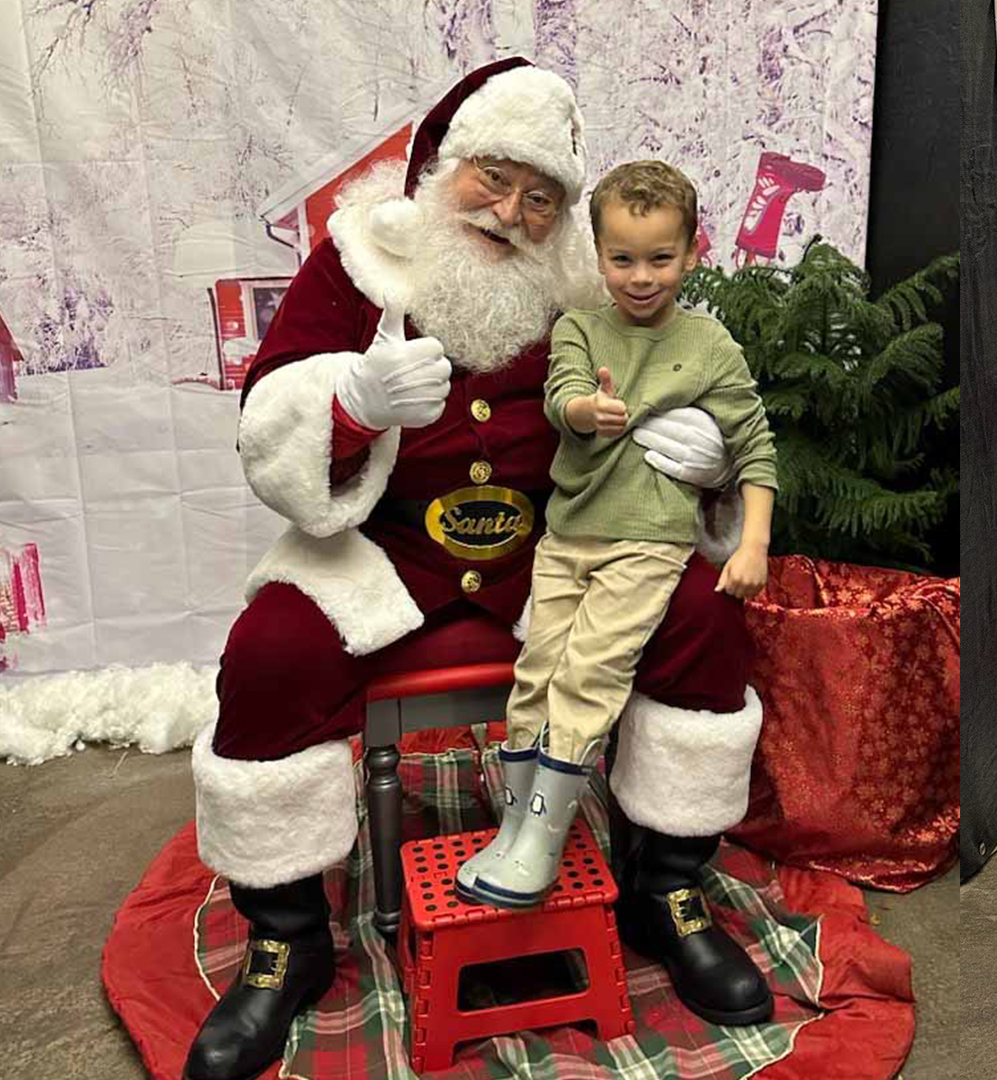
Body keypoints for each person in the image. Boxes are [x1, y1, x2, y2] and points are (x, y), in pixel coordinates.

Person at [185, 59, 770, 1080]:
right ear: (437, 170)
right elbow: (264, 432)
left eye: (541, 198)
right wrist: (352, 401)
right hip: (382, 549)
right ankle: (286, 942)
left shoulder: (594, 287)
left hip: (559, 552)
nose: (512, 212)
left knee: (704, 620)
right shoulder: (357, 265)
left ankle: (666, 884)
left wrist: (710, 463)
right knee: (271, 654)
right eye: (492, 180)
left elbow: (687, 396)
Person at [458, 159, 778, 913]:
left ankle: (543, 837)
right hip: (568, 537)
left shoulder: (709, 347)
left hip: (648, 543)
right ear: (597, 254)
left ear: (694, 252)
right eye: (623, 258)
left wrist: (752, 542)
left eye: (660, 258)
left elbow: (756, 448)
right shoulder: (578, 326)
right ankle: (514, 824)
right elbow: (561, 394)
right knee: (538, 670)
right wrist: (583, 414)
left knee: (590, 674)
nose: (641, 277)